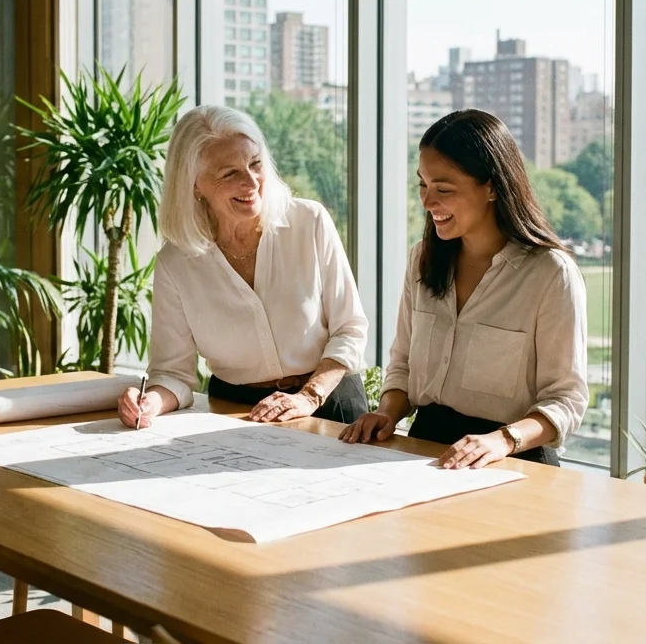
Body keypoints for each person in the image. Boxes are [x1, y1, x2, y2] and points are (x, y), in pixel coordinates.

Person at [339, 109, 588, 468]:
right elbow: (403, 363)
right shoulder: (422, 259)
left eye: (444, 189)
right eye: (422, 185)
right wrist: (388, 412)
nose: (427, 201)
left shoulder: (551, 274)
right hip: (425, 452)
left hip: (514, 459)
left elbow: (566, 399)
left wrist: (502, 441)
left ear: (491, 186)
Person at [120, 105, 369, 429]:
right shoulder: (175, 263)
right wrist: (149, 402)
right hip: (235, 413)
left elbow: (349, 328)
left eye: (255, 164)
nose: (251, 182)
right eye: (229, 173)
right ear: (195, 185)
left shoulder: (309, 222)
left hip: (327, 400)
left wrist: (308, 395)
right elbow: (173, 373)